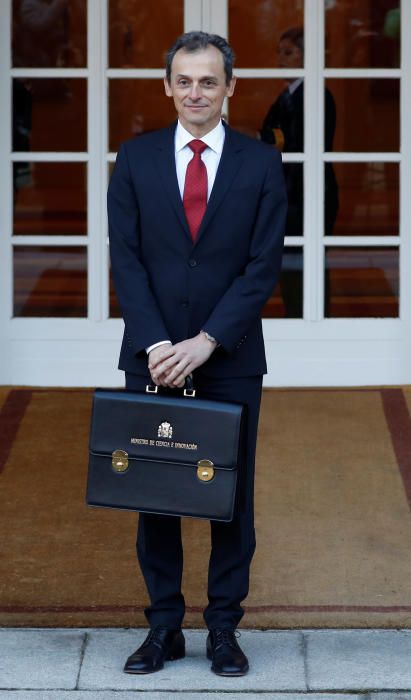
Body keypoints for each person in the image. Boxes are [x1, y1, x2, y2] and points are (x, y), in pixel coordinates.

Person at [108, 31, 287, 677]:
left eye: (208, 81)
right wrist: (159, 343)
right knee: (155, 493)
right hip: (151, 357)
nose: (195, 92)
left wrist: (206, 341)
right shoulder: (133, 158)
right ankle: (162, 629)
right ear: (167, 86)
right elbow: (125, 259)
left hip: (230, 356)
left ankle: (221, 630)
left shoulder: (259, 163)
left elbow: (262, 265)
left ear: (229, 88)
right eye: (184, 80)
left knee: (230, 500)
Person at [260, 27, 338, 316]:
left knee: (308, 263)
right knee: (290, 265)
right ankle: (297, 318)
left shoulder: (317, 96)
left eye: (289, 52)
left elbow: (291, 139)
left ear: (309, 56)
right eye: (280, 52)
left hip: (309, 191)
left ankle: (314, 320)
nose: (281, 59)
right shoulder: (287, 96)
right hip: (289, 192)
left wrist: (257, 138)